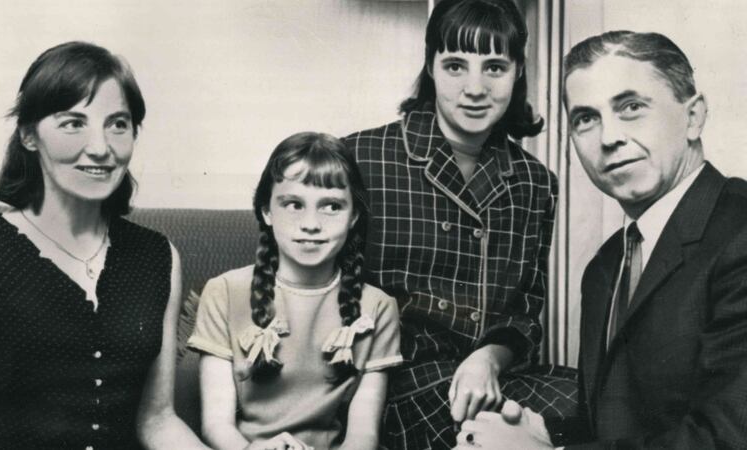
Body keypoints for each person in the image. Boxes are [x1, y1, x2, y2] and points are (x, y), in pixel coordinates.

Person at [459, 30, 747, 449]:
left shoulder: (740, 233)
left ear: (693, 116)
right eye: (586, 118)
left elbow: (729, 438)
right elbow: (624, 431)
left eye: (631, 107)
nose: (608, 137)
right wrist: (546, 434)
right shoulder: (606, 265)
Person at [0, 42, 208, 450]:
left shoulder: (159, 257)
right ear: (29, 135)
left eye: (118, 124)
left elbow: (156, 420)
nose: (101, 147)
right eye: (73, 123)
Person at [343, 0, 578, 448]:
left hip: (495, 378)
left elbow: (525, 316)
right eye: (455, 66)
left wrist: (489, 359)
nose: (475, 88)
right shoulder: (359, 158)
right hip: (391, 388)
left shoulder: (535, 182)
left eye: (494, 67)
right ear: (430, 67)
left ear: (518, 71)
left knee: (620, 406)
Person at [188, 132, 403, 450]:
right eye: (294, 204)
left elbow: (363, 436)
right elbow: (216, 424)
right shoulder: (224, 292)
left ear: (354, 215)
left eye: (331, 206)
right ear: (267, 211)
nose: (311, 224)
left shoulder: (377, 307)